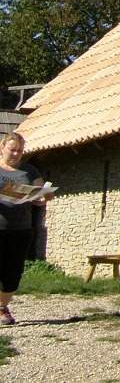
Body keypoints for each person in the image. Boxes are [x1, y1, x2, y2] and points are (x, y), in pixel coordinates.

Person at [0, 131, 52, 325]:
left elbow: (39, 196)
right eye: (12, 150)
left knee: (12, 272)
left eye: (20, 151)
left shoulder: (30, 171)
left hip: (20, 229)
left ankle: (2, 307)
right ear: (2, 147)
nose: (16, 154)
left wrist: (43, 197)